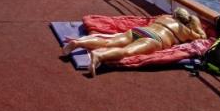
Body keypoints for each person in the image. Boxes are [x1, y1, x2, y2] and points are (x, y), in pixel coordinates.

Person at [62, 8, 206, 77]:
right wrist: (196, 23)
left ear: (174, 15)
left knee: (109, 42)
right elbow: (203, 37)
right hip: (154, 39)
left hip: (140, 30)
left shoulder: (165, 18)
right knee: (126, 51)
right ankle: (99, 56)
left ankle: (77, 43)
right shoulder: (186, 31)